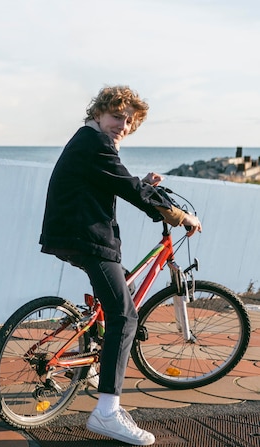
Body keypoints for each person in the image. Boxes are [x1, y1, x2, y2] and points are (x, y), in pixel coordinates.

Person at [39, 86, 201, 446]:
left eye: (129, 121)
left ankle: (95, 366)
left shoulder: (91, 143)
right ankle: (107, 412)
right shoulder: (93, 143)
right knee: (125, 317)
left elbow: (114, 182)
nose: (123, 125)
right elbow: (126, 187)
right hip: (86, 238)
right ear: (98, 113)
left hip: (77, 234)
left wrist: (142, 186)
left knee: (116, 296)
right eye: (117, 116)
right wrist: (179, 215)